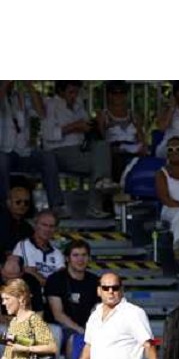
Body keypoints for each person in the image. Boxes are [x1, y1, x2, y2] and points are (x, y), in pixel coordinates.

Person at [42, 81, 114, 218]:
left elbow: (88, 127)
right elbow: (48, 135)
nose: (74, 96)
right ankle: (97, 203)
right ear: (61, 91)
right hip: (59, 151)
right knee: (101, 165)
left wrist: (97, 122)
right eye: (71, 92)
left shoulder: (79, 104)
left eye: (76, 92)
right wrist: (73, 127)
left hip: (81, 149)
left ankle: (100, 193)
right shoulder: (50, 105)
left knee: (103, 147)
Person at [69, 273, 157, 359]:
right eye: (106, 288)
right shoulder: (94, 315)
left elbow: (148, 344)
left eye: (115, 288)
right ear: (99, 291)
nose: (110, 291)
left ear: (121, 290)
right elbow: (89, 348)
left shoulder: (133, 313)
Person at [0, 81, 65, 216]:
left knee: (47, 157)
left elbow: (41, 112)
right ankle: (4, 206)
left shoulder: (21, 96)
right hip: (4, 151)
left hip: (24, 152)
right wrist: (5, 84)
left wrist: (29, 85)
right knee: (2, 160)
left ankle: (56, 205)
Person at [44, 239, 99, 359]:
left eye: (84, 255)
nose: (80, 259)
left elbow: (98, 309)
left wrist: (89, 328)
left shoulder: (94, 280)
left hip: (87, 327)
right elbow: (58, 314)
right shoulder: (56, 279)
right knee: (75, 338)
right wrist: (80, 329)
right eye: (75, 255)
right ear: (67, 258)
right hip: (60, 327)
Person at [0, 279, 58, 359]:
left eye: (7, 299)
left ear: (21, 298)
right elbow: (6, 356)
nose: (3, 303)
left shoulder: (34, 319)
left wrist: (26, 348)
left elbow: (52, 347)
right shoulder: (13, 322)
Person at [96, 80, 147, 184]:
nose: (118, 96)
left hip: (133, 150)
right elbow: (100, 140)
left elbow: (141, 138)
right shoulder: (103, 116)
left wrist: (142, 147)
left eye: (122, 92)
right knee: (118, 162)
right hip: (113, 153)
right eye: (115, 93)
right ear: (109, 95)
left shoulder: (133, 115)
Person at [12, 209, 64, 286]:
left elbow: (62, 279)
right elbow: (31, 275)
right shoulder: (24, 245)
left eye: (51, 226)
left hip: (52, 296)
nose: (47, 229)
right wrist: (52, 283)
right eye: (44, 225)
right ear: (35, 225)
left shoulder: (57, 253)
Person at [0, 185, 34, 262]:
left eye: (26, 203)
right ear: (9, 202)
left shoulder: (27, 227)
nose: (22, 205)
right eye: (18, 202)